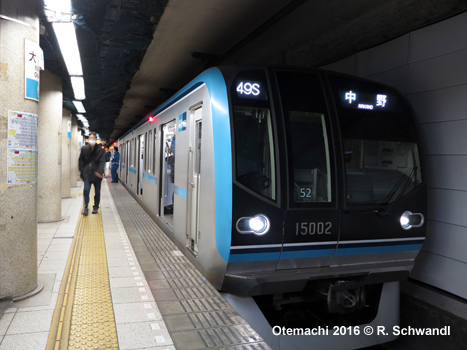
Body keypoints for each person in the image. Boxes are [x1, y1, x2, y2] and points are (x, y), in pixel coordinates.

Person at [78, 132, 105, 215]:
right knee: (86, 190)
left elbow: (102, 162)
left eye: (93, 138)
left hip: (97, 175)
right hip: (87, 174)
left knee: (97, 192)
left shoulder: (100, 150)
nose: (92, 139)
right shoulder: (84, 149)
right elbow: (81, 160)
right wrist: (82, 170)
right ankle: (86, 207)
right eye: (91, 138)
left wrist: (99, 172)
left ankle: (96, 207)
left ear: (96, 140)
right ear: (88, 139)